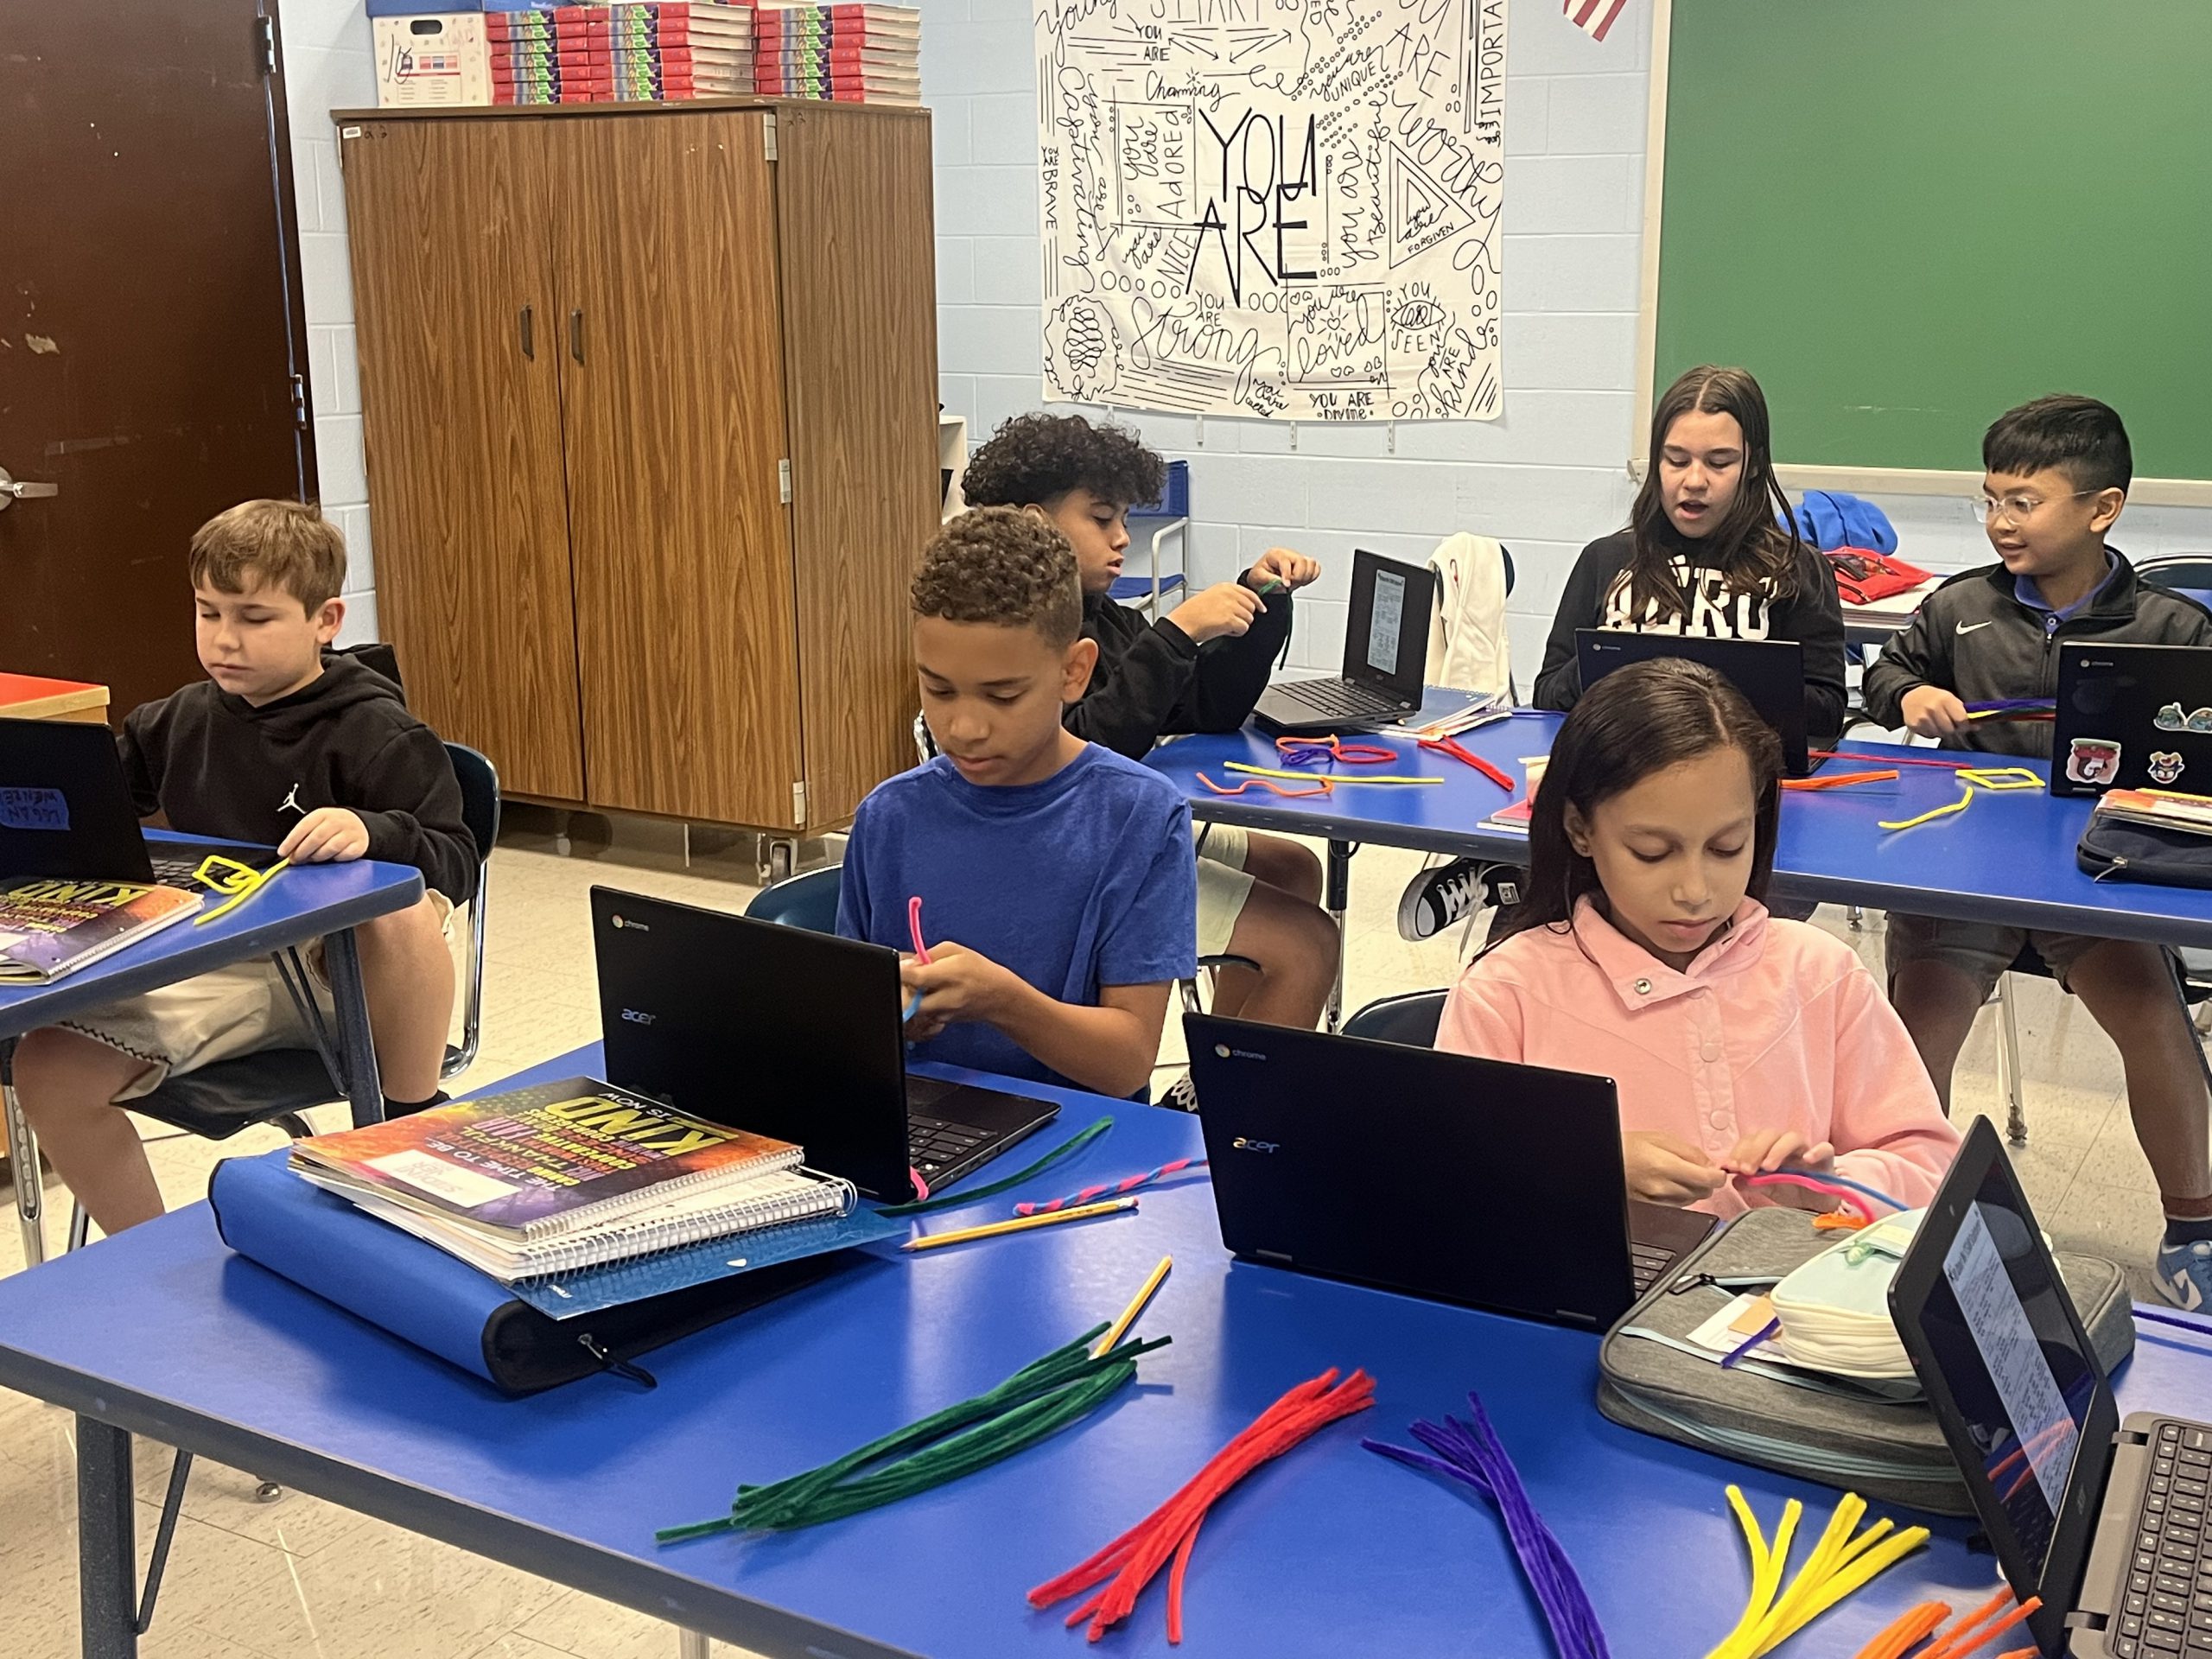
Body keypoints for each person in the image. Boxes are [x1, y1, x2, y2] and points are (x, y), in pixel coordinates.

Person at [12, 501, 475, 1235]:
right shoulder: (173, 721)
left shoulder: (378, 731)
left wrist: (371, 828)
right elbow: (95, 813)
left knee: (401, 907)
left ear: (325, 620)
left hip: (344, 984)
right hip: (224, 966)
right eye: (208, 612)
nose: (224, 640)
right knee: (45, 1065)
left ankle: (408, 1125)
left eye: (255, 618)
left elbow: (455, 857)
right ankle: (148, 1257)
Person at [1863, 393, 2212, 1306]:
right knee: (1915, 1030)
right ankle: (1901, 1218)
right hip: (1965, 876)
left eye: (2023, 501)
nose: (1999, 521)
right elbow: (1886, 670)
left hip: (2093, 881)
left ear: (2102, 509)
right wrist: (1904, 696)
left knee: (2153, 1021)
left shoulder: (2173, 629)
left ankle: (2194, 1232)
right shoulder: (1960, 608)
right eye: (1989, 500)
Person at [1437, 658, 1958, 1217]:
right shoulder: (1508, 992)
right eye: (1652, 853)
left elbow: (1931, 1171)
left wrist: (1828, 1185)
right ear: (1579, 830)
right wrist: (1588, 1167)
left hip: (1785, 1300)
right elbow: (1450, 1188)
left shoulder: (1820, 973)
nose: (1694, 890)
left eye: (1727, 847)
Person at [1398, 365, 1846, 942]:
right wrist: (1622, 669)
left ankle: (1514, 877)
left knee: (1732, 952)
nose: (1694, 481)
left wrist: (1714, 682)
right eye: (1676, 459)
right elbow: (1549, 690)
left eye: (1718, 462)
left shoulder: (1795, 571)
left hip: (1731, 816)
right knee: (1526, 950)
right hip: (1611, 805)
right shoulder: (1608, 562)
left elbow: (1827, 711)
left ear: (1753, 464)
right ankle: (1511, 877)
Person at [958, 412, 1339, 1071]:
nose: (1121, 540)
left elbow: (1207, 710)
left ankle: (1211, 1082)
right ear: (1033, 524)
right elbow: (1078, 754)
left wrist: (1260, 603)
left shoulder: (1099, 616)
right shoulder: (1012, 635)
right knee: (1307, 942)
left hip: (1113, 831)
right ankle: (1237, 1121)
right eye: (1101, 519)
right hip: (1065, 858)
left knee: (1295, 867)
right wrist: (1176, 635)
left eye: (1123, 521)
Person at [836, 507, 1196, 1100]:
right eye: (938, 689)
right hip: (924, 1135)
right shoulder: (887, 817)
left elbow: (1128, 1063)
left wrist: (1003, 1002)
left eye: (1003, 696)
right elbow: (845, 1023)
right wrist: (895, 1014)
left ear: (1074, 672)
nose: (965, 726)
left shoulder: (1141, 819)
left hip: (1082, 1142)